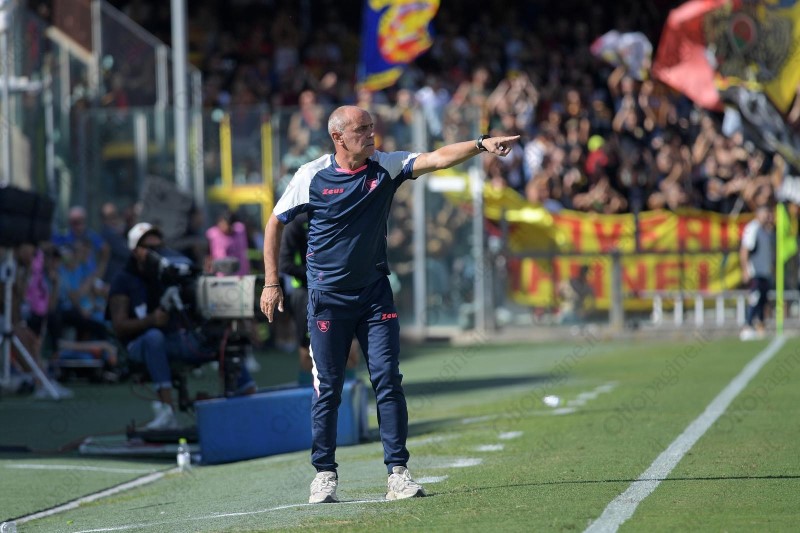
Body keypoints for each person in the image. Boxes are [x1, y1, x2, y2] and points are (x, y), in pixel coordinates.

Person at [260, 105, 518, 503]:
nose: (371, 134)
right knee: (328, 387)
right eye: (361, 129)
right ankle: (324, 474)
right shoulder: (311, 175)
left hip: (374, 295)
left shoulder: (386, 166)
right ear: (338, 138)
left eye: (372, 127)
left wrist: (482, 144)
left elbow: (437, 158)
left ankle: (398, 473)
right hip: (327, 299)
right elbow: (274, 223)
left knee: (387, 380)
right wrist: (271, 283)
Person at [108, 222, 256, 430]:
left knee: (222, 337)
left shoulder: (170, 273)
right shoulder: (123, 280)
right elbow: (119, 326)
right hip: (138, 346)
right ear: (135, 251)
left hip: (175, 341)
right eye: (149, 248)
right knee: (154, 337)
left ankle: (249, 399)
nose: (156, 253)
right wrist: (151, 320)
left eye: (158, 247)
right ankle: (166, 411)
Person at [279, 212, 359, 385]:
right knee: (309, 354)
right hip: (307, 294)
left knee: (351, 351)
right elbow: (285, 264)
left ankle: (349, 399)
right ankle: (306, 397)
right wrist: (319, 276)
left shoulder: (340, 213)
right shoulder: (297, 222)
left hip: (341, 291)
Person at [739, 204, 775, 341]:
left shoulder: (766, 230)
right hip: (755, 271)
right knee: (754, 298)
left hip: (765, 272)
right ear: (758, 214)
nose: (767, 216)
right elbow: (745, 250)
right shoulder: (752, 228)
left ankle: (760, 326)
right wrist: (745, 270)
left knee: (763, 300)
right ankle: (747, 326)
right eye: (765, 213)